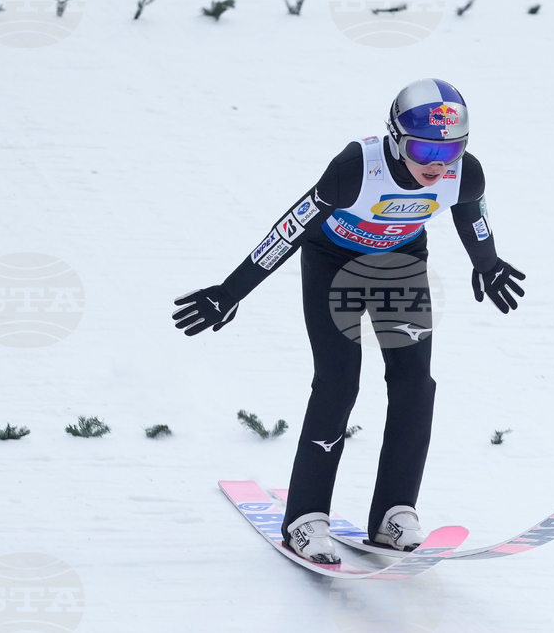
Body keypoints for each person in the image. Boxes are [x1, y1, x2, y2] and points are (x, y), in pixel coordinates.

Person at [173, 78, 525, 564]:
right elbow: (292, 226)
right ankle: (304, 519)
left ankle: (394, 513)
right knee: (339, 383)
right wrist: (232, 292)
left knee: (415, 385)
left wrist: (488, 265)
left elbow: (472, 217)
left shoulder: (465, 173)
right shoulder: (355, 168)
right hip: (331, 267)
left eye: (453, 148)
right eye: (424, 148)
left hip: (399, 266)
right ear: (396, 137)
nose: (438, 164)